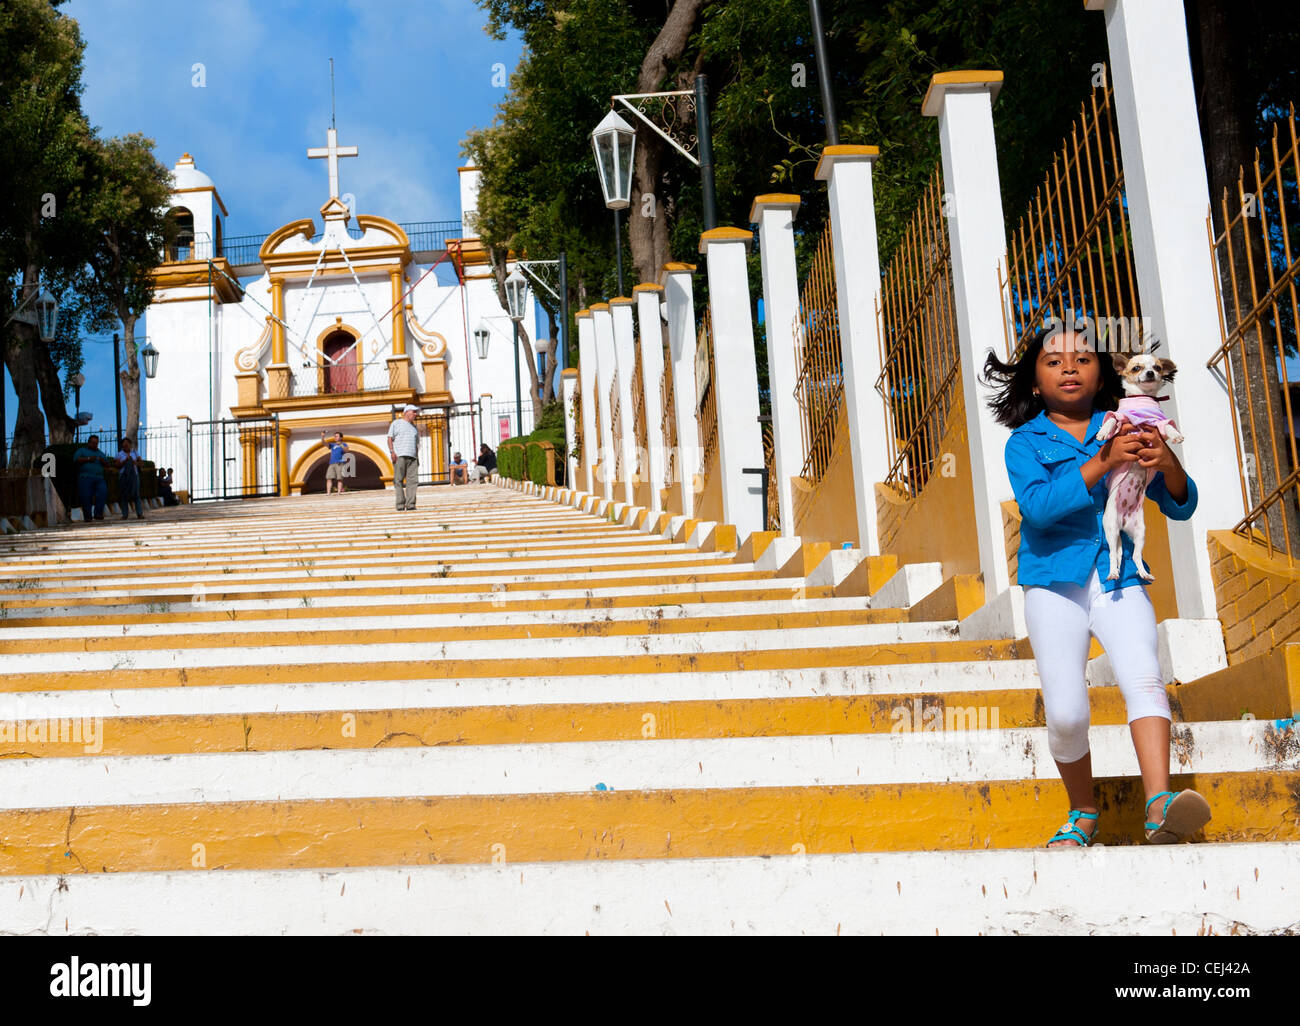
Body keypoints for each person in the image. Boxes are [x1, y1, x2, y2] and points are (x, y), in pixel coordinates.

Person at [981, 324, 1209, 848]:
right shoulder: (1025, 442)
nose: (1069, 367)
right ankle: (1083, 811)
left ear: (1103, 374)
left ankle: (1159, 807)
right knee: (1065, 712)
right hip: (1053, 581)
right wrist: (1102, 462)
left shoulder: (1129, 422)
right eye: (1053, 360)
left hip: (1120, 572)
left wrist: (1167, 463)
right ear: (1034, 382)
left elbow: (1181, 503)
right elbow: (1037, 509)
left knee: (1145, 678)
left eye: (1083, 358)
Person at [387, 404, 420, 511]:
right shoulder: (396, 423)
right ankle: (400, 505)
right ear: (406, 412)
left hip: (413, 458)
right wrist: (392, 452)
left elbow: (416, 444)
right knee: (398, 480)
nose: (416, 414)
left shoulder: (414, 428)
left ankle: (410, 504)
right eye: (413, 412)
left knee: (413, 481)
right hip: (399, 455)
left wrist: (417, 457)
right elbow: (390, 438)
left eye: (416, 412)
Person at [73, 435, 112, 522]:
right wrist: (88, 459)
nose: (95, 445)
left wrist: (103, 461)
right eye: (93, 443)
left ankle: (98, 514)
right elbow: (76, 460)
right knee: (86, 496)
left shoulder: (100, 453)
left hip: (99, 478)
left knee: (102, 493)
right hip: (85, 477)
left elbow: (108, 465)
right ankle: (88, 517)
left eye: (96, 443)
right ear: (89, 443)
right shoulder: (82, 450)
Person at [116, 437, 145, 520]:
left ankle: (139, 514)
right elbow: (117, 465)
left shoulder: (135, 453)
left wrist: (135, 462)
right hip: (123, 476)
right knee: (124, 495)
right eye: (124, 444)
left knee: (136, 494)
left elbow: (141, 463)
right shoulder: (119, 454)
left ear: (130, 445)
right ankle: (125, 514)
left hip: (134, 476)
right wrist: (125, 461)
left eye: (127, 444)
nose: (125, 446)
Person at [321, 430, 350, 495]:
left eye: (336, 436)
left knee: (340, 478)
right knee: (329, 478)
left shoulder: (344, 444)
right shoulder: (332, 445)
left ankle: (338, 493)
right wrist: (322, 436)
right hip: (332, 463)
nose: (335, 437)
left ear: (341, 437)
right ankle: (328, 493)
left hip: (340, 463)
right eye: (334, 436)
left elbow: (347, 451)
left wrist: (341, 445)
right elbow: (324, 443)